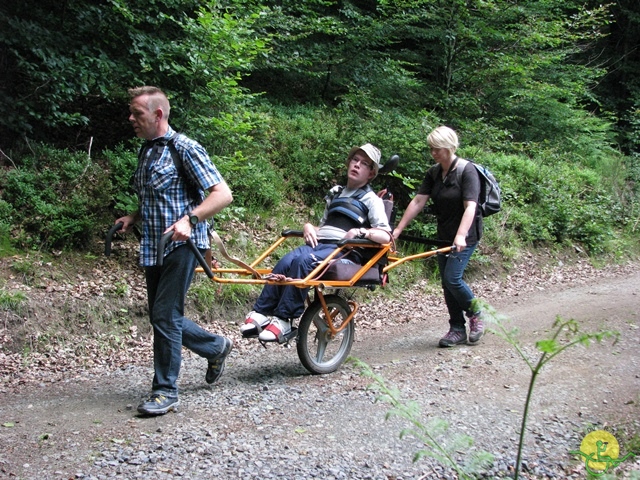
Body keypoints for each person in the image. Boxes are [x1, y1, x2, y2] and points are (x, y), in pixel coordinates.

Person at [115, 86, 234, 416]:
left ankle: (165, 390)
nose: (131, 118)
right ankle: (215, 346)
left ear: (157, 115)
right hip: (154, 243)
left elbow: (222, 194)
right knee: (162, 315)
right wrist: (133, 216)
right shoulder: (148, 150)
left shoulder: (185, 147)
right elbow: (155, 196)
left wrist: (191, 219)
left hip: (184, 245)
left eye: (136, 113)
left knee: (165, 315)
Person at [241, 144, 392, 342]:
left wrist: (360, 231)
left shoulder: (371, 199)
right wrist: (308, 227)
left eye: (364, 164)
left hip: (345, 251)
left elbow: (386, 236)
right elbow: (324, 226)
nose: (356, 165)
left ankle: (284, 320)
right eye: (355, 160)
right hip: (320, 245)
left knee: (304, 262)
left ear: (371, 173)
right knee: (286, 262)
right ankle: (261, 312)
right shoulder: (335, 193)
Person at [392, 126, 484, 347]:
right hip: (443, 235)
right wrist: (397, 230)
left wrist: (461, 236)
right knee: (446, 281)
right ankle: (456, 329)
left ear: (450, 147)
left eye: (438, 149)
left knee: (453, 278)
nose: (433, 153)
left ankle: (476, 314)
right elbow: (418, 201)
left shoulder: (467, 171)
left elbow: (470, 207)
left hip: (466, 235)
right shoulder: (434, 173)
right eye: (431, 148)